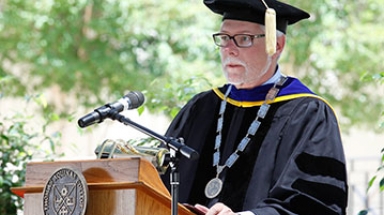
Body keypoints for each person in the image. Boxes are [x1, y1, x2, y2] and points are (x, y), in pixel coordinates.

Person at [160, 0, 348, 214]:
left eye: (244, 39)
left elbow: (315, 202)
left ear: (277, 46)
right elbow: (161, 183)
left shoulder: (307, 113)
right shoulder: (201, 107)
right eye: (224, 38)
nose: (229, 49)